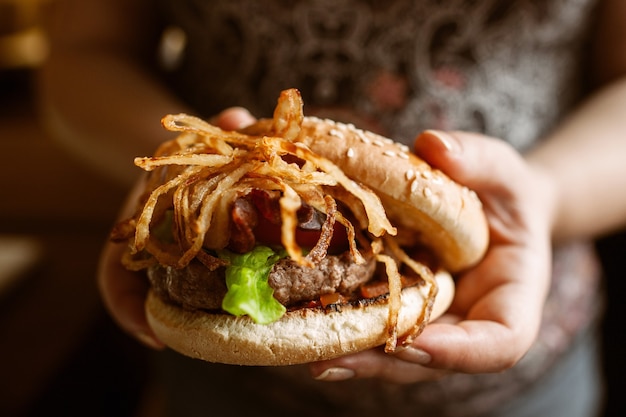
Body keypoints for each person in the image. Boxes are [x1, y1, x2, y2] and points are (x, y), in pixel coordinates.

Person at [38, 0, 626, 416]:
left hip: (525, 374)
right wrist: (179, 167)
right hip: (230, 389)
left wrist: (542, 195)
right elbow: (84, 51)